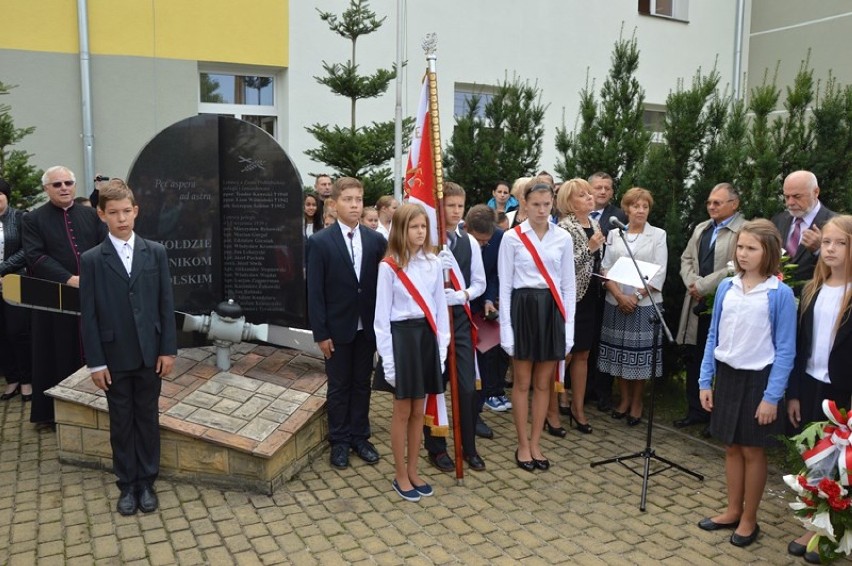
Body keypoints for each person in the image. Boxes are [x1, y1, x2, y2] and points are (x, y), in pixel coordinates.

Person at [80, 179, 177, 516]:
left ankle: (147, 481)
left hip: (150, 354)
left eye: (126, 211)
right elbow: (89, 314)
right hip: (114, 355)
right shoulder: (92, 259)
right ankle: (127, 483)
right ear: (101, 215)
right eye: (114, 213)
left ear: (136, 211)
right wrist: (95, 362)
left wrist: (168, 350)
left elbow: (166, 305)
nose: (121, 219)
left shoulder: (156, 252)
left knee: (147, 418)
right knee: (121, 421)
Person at [698, 219, 796, 548]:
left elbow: (785, 350)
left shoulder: (779, 294)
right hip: (727, 374)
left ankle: (750, 518)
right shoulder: (727, 286)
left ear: (768, 252)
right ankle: (731, 510)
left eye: (751, 248)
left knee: (753, 449)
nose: (743, 254)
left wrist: (772, 397)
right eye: (740, 247)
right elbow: (714, 336)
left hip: (759, 380)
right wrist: (704, 380)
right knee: (731, 446)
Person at [307, 177, 387, 469]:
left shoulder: (376, 240)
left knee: (361, 384)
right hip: (337, 329)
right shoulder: (319, 242)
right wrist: (321, 332)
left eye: (358, 200)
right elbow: (314, 292)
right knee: (339, 386)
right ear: (335, 203)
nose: (354, 205)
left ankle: (359, 436)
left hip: (366, 327)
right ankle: (339, 441)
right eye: (348, 200)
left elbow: (382, 286)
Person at [785, 215, 852, 562]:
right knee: (817, 459)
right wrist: (794, 391)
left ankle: (834, 531)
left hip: (844, 392)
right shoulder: (812, 288)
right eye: (826, 242)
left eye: (840, 243)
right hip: (813, 384)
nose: (830, 249)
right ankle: (819, 523)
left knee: (843, 463)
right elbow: (800, 345)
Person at [498, 177, 575, 472]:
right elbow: (505, 286)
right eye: (536, 205)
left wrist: (569, 330)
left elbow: (568, 287)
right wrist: (506, 329)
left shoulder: (562, 238)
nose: (542, 210)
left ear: (552, 204)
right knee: (522, 382)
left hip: (551, 311)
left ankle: (536, 442)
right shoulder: (512, 238)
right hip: (523, 310)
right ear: (525, 205)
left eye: (547, 204)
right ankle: (522, 444)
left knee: (544, 383)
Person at [374, 203, 449, 501]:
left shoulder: (433, 263)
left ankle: (415, 469)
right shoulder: (389, 266)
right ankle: (400, 473)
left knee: (420, 410)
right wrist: (388, 362)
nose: (420, 232)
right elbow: (381, 319)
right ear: (401, 230)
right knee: (402, 411)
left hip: (426, 340)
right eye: (414, 227)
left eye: (424, 227)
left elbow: (440, 309)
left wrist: (441, 349)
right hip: (402, 340)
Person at [23, 165, 108, 425]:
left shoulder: (90, 215)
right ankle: (55, 414)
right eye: (57, 184)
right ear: (46, 189)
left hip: (92, 295)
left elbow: (105, 247)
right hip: (55, 299)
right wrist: (69, 279)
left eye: (68, 183)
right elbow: (36, 256)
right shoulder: (33, 219)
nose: (64, 188)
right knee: (56, 352)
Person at [424, 183, 487, 473]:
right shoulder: (428, 241)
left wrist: (461, 295)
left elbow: (479, 283)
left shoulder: (469, 242)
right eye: (450, 205)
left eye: (460, 205)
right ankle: (436, 448)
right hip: (433, 323)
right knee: (435, 386)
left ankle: (468, 446)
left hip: (459, 321)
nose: (455, 210)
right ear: (439, 207)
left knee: (466, 387)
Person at [675, 183, 745, 431]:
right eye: (709, 202)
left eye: (718, 202)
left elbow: (735, 266)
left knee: (719, 358)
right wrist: (692, 283)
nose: (712, 207)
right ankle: (695, 410)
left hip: (722, 304)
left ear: (734, 204)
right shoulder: (701, 228)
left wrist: (703, 286)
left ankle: (717, 418)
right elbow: (686, 259)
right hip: (695, 301)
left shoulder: (743, 231)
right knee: (695, 356)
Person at [598, 187, 667, 426]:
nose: (640, 211)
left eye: (645, 206)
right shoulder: (615, 235)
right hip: (615, 303)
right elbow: (605, 268)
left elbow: (659, 272)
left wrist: (635, 298)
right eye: (636, 206)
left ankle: (637, 403)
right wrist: (619, 295)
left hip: (644, 305)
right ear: (626, 209)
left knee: (639, 360)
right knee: (619, 356)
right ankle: (624, 400)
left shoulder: (658, 235)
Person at [551, 178, 605, 435]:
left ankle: (578, 408)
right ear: (569, 203)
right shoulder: (564, 228)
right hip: (572, 298)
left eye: (588, 194)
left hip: (591, 295)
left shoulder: (594, 223)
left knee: (583, 354)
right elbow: (566, 267)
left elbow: (596, 262)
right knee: (566, 354)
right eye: (583, 195)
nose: (589, 198)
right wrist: (590, 248)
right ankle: (553, 408)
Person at [465, 204, 507, 436]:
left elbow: (493, 273)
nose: (482, 245)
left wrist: (490, 298)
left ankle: (475, 413)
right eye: (478, 240)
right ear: (467, 229)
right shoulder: (456, 238)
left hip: (482, 309)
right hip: (457, 308)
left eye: (486, 241)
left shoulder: (499, 237)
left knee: (482, 364)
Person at [587, 172, 627, 413]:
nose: (602, 192)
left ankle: (601, 392)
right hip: (584, 287)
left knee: (603, 341)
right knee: (585, 342)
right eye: (598, 187)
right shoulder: (577, 214)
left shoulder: (619, 217)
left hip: (609, 288)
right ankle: (581, 389)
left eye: (607, 188)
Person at [771, 170, 836, 286]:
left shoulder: (836, 224)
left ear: (816, 192)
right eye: (786, 197)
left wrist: (819, 250)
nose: (790, 203)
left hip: (814, 295)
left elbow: (844, 267)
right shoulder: (779, 220)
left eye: (797, 196)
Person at [0, 178, 32, 402]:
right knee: (1, 334)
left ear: (6, 196)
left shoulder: (20, 217)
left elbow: (26, 250)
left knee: (18, 332)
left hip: (14, 282)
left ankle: (27, 380)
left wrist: (3, 269)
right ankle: (12, 379)